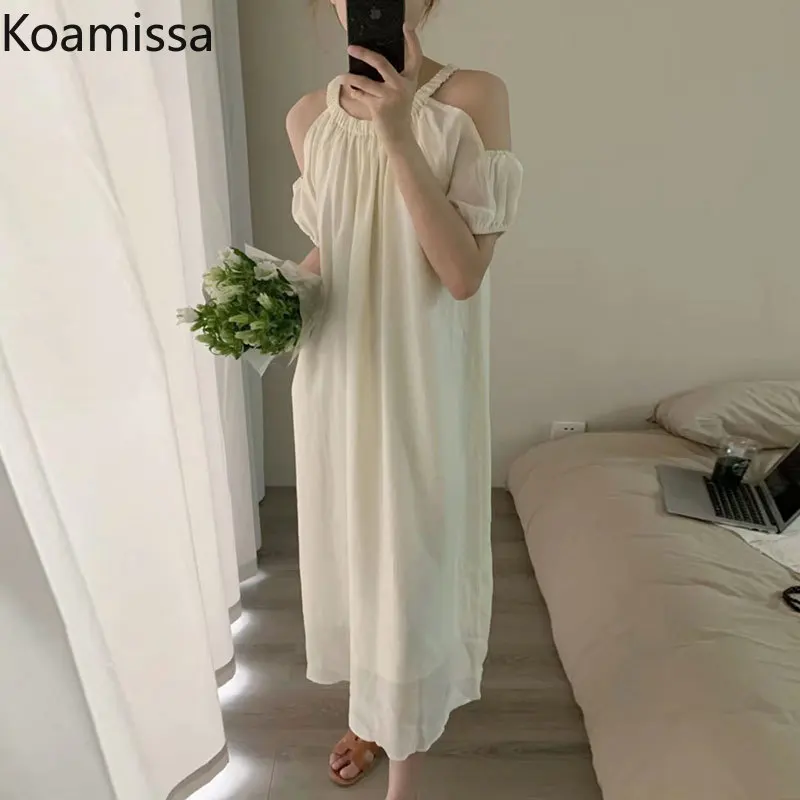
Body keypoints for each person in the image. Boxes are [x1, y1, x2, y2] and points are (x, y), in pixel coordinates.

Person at [285, 2, 523, 798]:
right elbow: (337, 245)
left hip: (421, 375)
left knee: (410, 560)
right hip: (337, 368)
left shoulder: (473, 98)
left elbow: (461, 272)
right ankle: (369, 715)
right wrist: (261, 293)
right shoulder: (308, 117)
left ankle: (406, 765)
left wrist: (395, 129)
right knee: (354, 553)